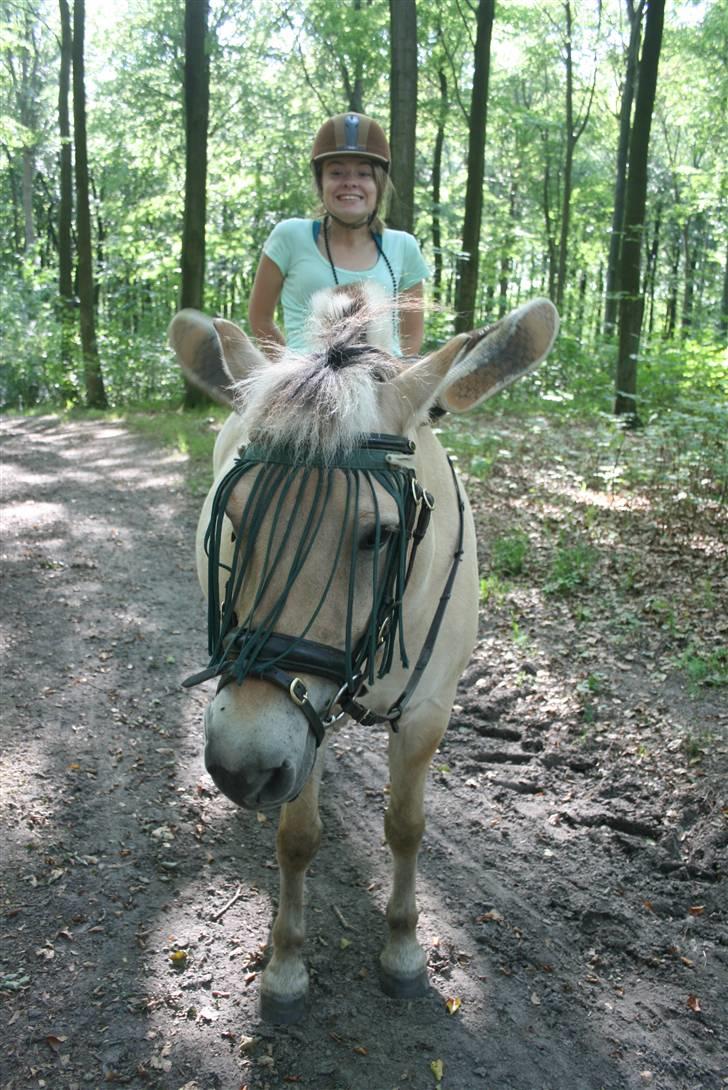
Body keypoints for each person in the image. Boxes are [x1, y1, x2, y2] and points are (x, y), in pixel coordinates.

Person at [248, 112, 429, 359]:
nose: (350, 183)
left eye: (363, 174)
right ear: (321, 182)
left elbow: (411, 335)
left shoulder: (403, 246)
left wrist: (395, 383)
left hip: (382, 384)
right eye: (336, 173)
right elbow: (260, 317)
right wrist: (289, 370)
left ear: (378, 183)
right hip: (307, 387)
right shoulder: (289, 237)